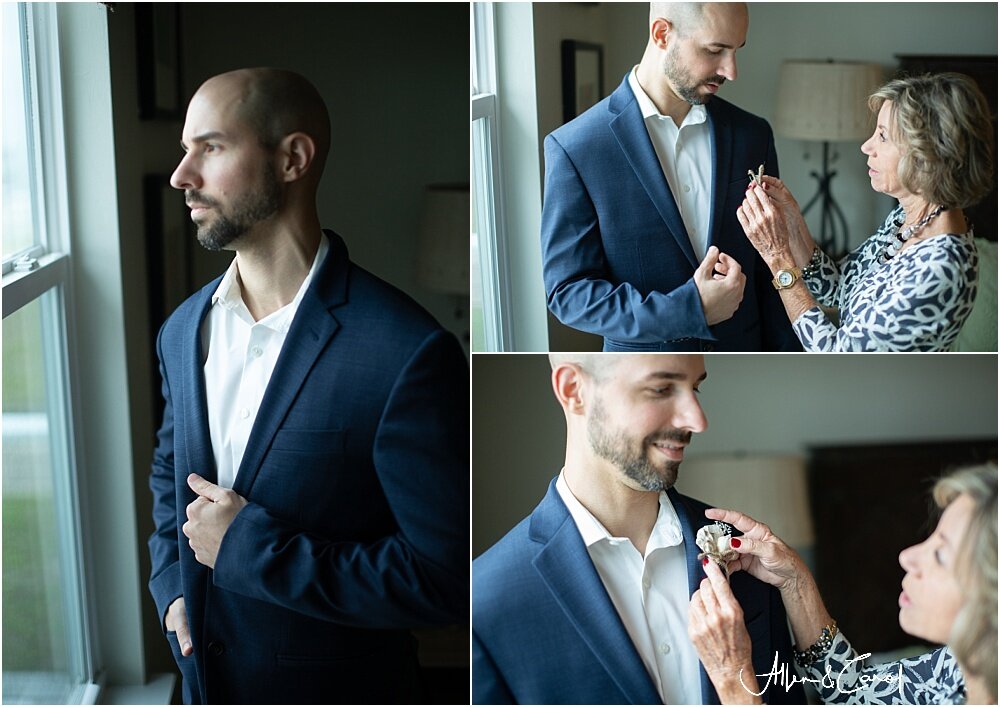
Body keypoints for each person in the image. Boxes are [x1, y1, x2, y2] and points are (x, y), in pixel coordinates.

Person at [147, 68, 468, 704]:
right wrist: (172, 592)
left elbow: (443, 579)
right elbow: (169, 475)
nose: (182, 175)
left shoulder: (408, 353)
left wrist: (249, 550)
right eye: (186, 151)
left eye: (209, 148)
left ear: (292, 158)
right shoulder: (182, 331)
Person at [472, 354, 805, 704]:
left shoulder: (747, 558)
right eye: (661, 388)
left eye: (695, 388)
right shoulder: (487, 603)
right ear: (574, 390)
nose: (697, 419)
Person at [541, 3, 799, 353]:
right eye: (714, 50)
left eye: (736, 50)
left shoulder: (753, 135)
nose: (731, 70)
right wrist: (689, 310)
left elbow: (770, 268)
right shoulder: (577, 148)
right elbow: (568, 292)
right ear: (662, 34)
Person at [689, 464, 998, 704]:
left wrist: (733, 682)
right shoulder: (957, 668)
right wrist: (795, 581)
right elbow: (856, 693)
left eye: (941, 554)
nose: (908, 557)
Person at [737, 72, 993, 351]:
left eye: (882, 136)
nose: (866, 146)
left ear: (928, 157)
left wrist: (777, 258)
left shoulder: (939, 268)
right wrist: (794, 222)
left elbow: (837, 356)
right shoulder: (908, 218)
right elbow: (838, 290)